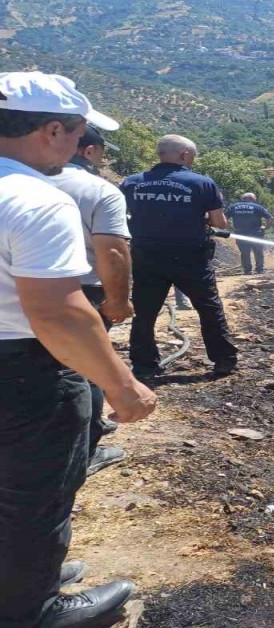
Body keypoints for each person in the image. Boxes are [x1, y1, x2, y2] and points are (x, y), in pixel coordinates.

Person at [0, 71, 155, 627]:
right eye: (78, 132)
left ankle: (21, 574)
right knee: (35, 491)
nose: (80, 146)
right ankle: (31, 608)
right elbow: (58, 313)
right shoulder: (37, 200)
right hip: (22, 370)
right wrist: (121, 385)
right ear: (51, 131)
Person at [47, 128, 132, 477]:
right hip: (83, 287)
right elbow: (112, 251)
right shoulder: (97, 190)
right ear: (90, 150)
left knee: (44, 365)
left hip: (25, 286)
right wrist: (118, 300)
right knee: (88, 364)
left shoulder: (16, 180)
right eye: (100, 154)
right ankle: (86, 448)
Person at [120, 135, 237, 378]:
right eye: (192, 157)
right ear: (184, 155)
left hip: (147, 257)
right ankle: (224, 360)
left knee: (144, 313)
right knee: (208, 308)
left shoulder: (132, 183)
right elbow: (218, 222)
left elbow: (120, 218)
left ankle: (144, 365)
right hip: (190, 258)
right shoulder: (201, 183)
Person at [226, 192, 272, 275]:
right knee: (258, 251)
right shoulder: (257, 207)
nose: (255, 200)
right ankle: (259, 269)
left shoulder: (233, 207)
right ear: (250, 198)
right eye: (255, 198)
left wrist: (231, 228)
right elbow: (270, 218)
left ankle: (247, 270)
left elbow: (223, 218)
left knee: (244, 252)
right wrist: (266, 228)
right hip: (256, 233)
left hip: (240, 233)